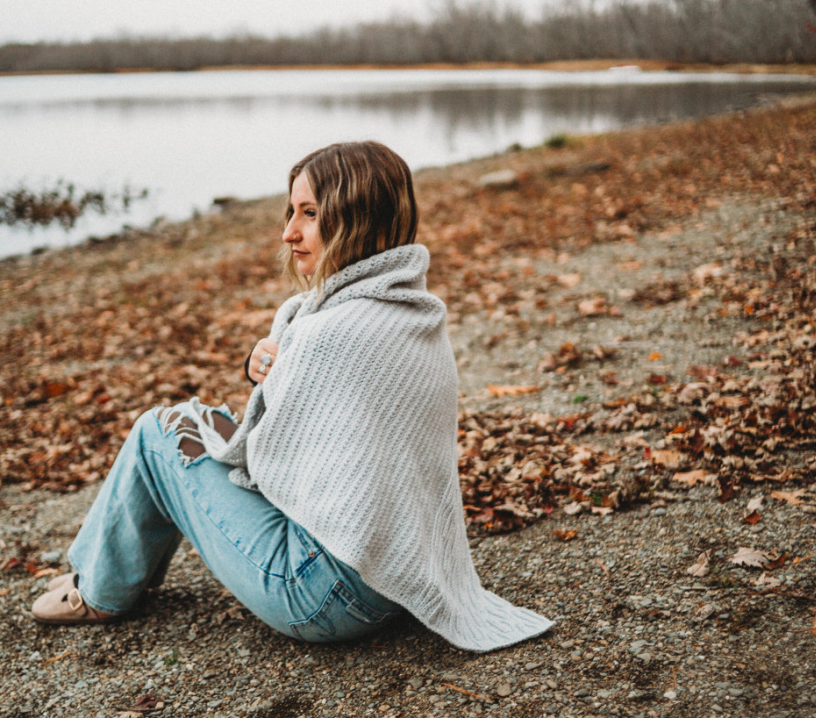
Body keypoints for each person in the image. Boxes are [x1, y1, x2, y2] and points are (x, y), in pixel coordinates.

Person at [32, 141, 552, 652]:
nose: (289, 232)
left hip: (321, 596)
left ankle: (98, 590)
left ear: (357, 219)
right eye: (290, 212)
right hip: (400, 575)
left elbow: (263, 465)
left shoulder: (327, 334)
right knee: (202, 419)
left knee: (158, 432)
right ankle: (103, 567)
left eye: (309, 214)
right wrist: (274, 373)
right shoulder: (411, 314)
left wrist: (274, 383)